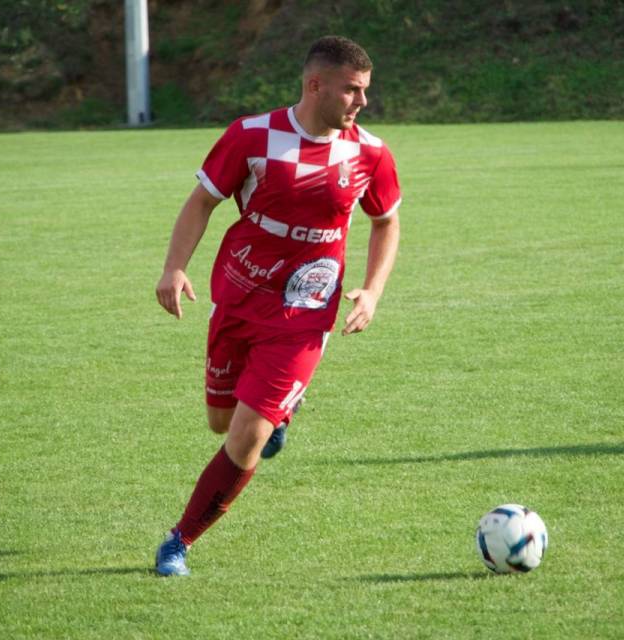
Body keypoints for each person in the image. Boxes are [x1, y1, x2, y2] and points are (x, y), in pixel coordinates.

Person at [153, 35, 402, 576]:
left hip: (305, 309)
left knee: (247, 437)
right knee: (221, 422)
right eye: (351, 90)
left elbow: (385, 222)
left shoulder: (370, 152)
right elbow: (202, 202)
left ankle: (179, 540)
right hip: (239, 294)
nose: (362, 101)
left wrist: (373, 290)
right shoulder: (252, 136)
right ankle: (282, 410)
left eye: (365, 90)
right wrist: (174, 267)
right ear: (315, 85)